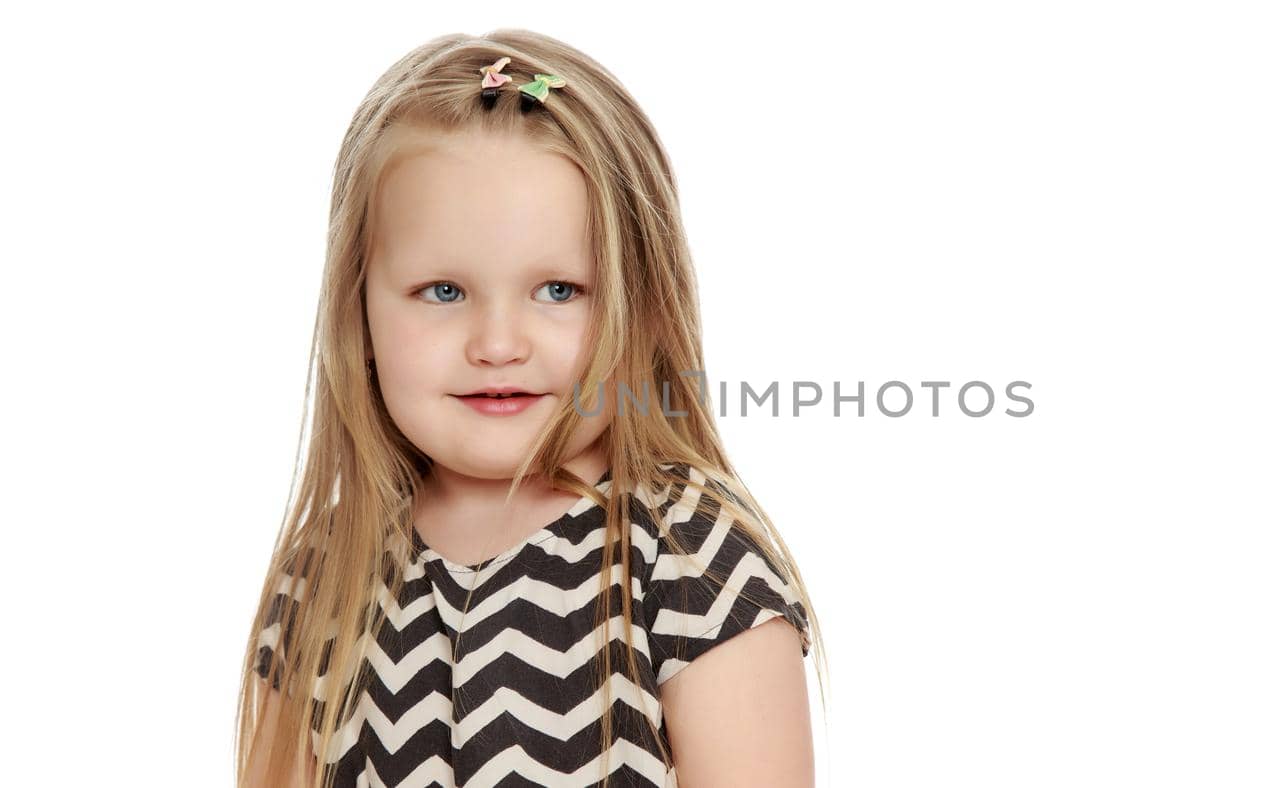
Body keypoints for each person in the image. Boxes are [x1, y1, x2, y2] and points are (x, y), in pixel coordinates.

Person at [235, 29, 825, 788]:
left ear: (641, 307)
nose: (498, 343)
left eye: (558, 291)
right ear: (361, 317)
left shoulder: (691, 564)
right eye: (443, 292)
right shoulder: (329, 568)